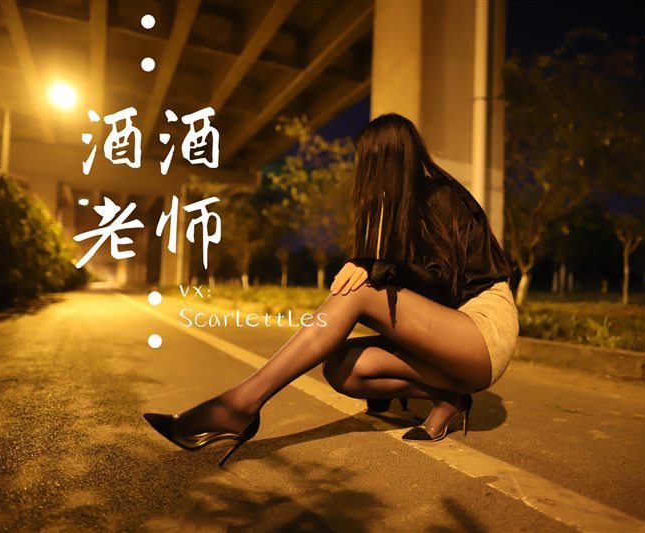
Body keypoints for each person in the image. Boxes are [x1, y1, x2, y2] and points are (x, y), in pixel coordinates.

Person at [143, 113, 518, 466]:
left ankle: (239, 405)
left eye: (366, 161)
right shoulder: (406, 211)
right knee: (341, 368)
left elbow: (444, 281)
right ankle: (449, 395)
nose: (362, 172)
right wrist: (380, 270)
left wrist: (378, 269)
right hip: (451, 332)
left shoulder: (440, 196)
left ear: (385, 161)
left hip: (483, 328)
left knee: (360, 287)